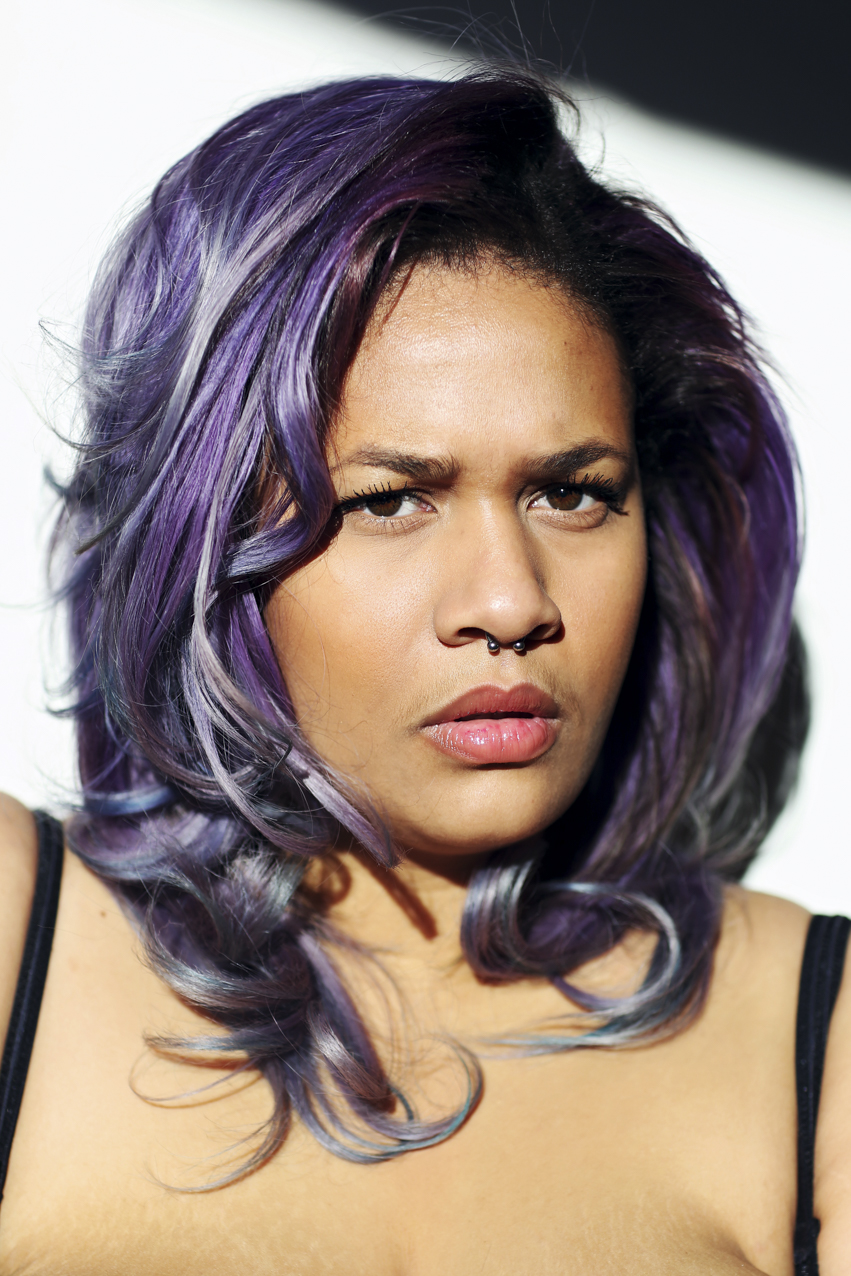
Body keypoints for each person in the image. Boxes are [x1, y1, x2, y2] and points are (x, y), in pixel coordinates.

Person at [0, 67, 847, 1274]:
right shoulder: (21, 937)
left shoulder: (817, 1043)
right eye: (390, 500)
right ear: (204, 547)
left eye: (572, 492)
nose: (509, 601)